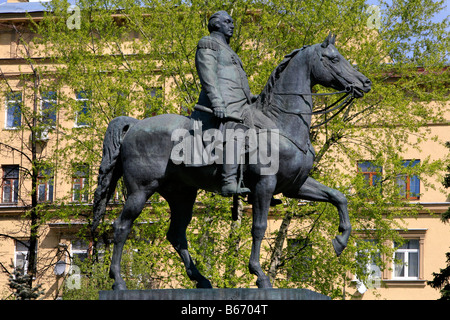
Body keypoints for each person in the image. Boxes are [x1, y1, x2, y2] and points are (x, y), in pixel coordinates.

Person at [192, 11, 257, 197]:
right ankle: (228, 181)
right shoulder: (208, 43)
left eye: (232, 22)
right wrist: (217, 102)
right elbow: (208, 74)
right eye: (228, 22)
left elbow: (233, 80)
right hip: (224, 105)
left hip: (239, 103)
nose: (232, 25)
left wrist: (251, 97)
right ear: (216, 24)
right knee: (234, 130)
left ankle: (256, 181)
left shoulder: (228, 49)